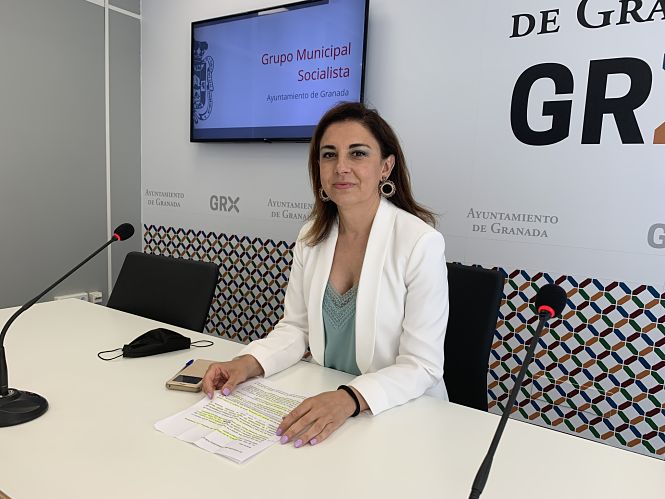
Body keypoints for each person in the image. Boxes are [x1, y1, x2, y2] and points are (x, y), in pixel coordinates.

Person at [202, 102, 448, 448]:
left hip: (398, 415)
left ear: (385, 167)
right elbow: (296, 328)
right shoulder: (311, 237)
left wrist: (349, 398)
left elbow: (422, 366)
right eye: (329, 155)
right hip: (328, 407)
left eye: (358, 153)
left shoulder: (420, 243)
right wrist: (247, 363)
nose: (341, 167)